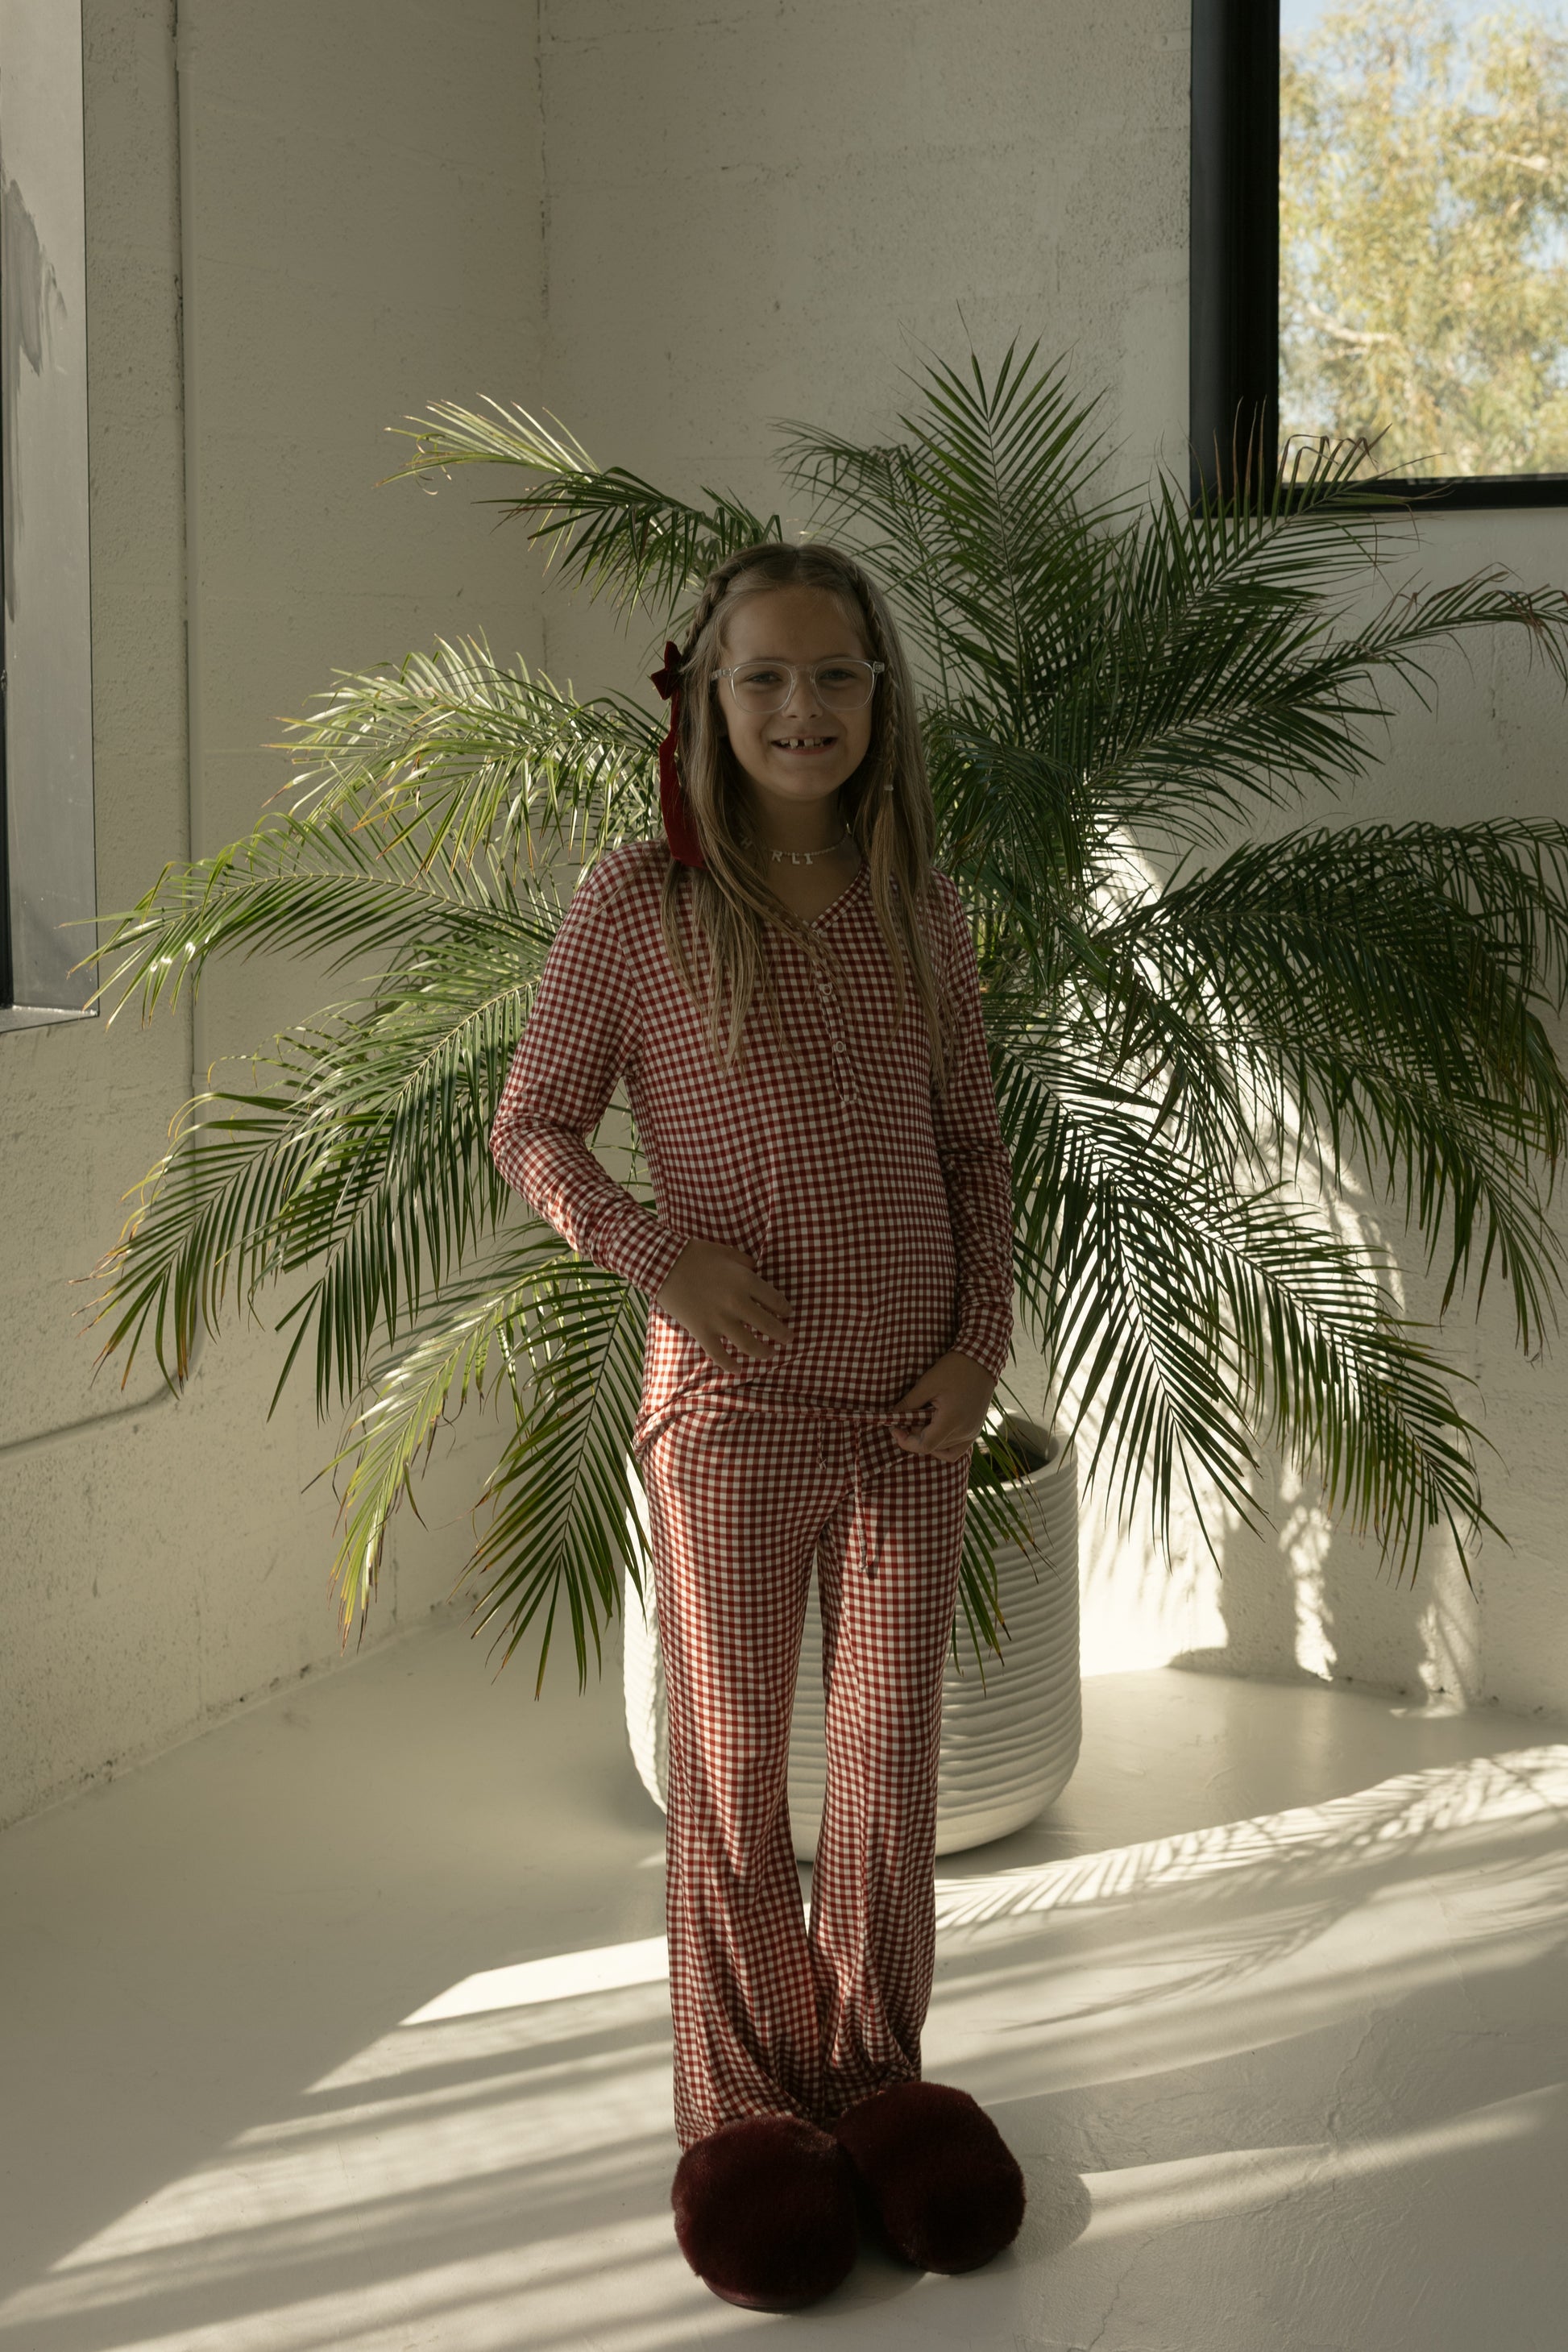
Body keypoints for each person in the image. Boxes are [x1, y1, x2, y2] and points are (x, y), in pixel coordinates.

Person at [490, 541, 1027, 2311]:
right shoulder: (638, 906)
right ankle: (739, 2112)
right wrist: (661, 1257)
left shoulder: (920, 907)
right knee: (730, 1775)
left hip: (910, 1418)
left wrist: (977, 1350)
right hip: (731, 1416)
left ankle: (871, 2080)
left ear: (883, 700)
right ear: (708, 700)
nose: (803, 710)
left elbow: (971, 1158)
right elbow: (533, 1126)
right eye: (766, 678)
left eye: (838, 677)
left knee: (882, 1775)